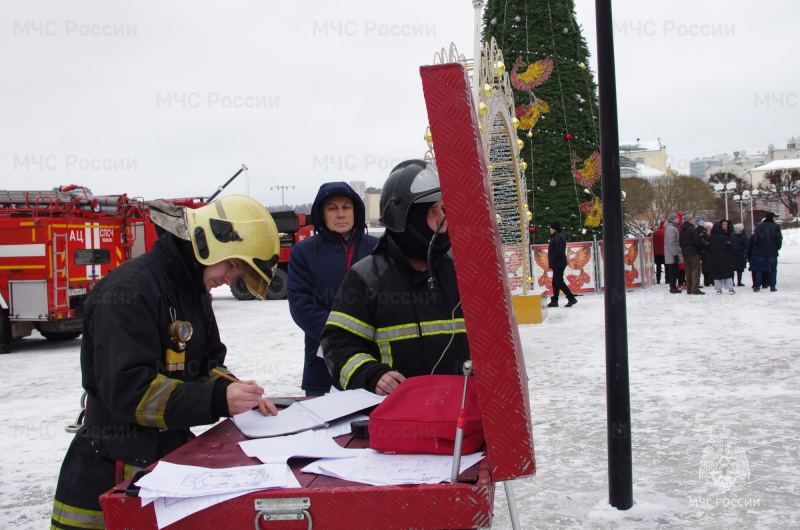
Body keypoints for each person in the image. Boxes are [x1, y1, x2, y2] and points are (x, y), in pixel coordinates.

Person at [51, 195, 281, 529]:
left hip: (165, 458)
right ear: (210, 245)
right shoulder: (129, 291)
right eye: (232, 265)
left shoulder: (190, 289)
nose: (231, 278)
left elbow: (204, 364)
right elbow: (131, 390)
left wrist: (233, 389)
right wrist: (218, 400)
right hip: (110, 469)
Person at [320, 160, 469, 396]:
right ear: (405, 217)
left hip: (463, 413)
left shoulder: (463, 271)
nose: (443, 223)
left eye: (444, 211)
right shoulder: (366, 278)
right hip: (398, 417)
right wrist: (370, 375)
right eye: (432, 211)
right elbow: (338, 344)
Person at [287, 182, 379, 397]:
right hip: (322, 360)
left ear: (356, 211)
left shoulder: (377, 249)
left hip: (372, 359)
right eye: (332, 208)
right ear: (321, 213)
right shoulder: (303, 252)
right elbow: (301, 305)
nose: (340, 214)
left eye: (346, 207)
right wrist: (338, 336)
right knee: (321, 427)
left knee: (370, 425)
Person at [547, 221, 578, 307]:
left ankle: (571, 298)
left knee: (559, 281)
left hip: (559, 263)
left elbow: (558, 250)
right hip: (557, 263)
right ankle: (555, 300)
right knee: (555, 282)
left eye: (551, 228)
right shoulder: (556, 236)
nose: (550, 229)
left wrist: (553, 259)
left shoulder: (559, 237)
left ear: (554, 228)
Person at [753, 212, 782, 291]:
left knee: (759, 268)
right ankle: (772, 286)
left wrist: (759, 246)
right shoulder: (776, 226)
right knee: (773, 269)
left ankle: (757, 286)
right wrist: (777, 247)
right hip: (772, 251)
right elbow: (778, 238)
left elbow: (755, 239)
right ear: (772, 218)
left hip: (761, 250)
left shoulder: (759, 227)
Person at [679, 217, 705, 295]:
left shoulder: (682, 230)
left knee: (688, 271)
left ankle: (689, 289)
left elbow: (680, 242)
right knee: (695, 270)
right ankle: (695, 288)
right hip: (694, 252)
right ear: (689, 220)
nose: (694, 221)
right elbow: (697, 240)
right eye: (693, 220)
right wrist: (701, 249)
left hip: (685, 253)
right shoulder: (692, 229)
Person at [708, 221, 735, 294]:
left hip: (714, 258)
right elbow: (729, 247)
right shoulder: (725, 237)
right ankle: (730, 288)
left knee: (717, 274)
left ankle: (718, 289)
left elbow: (707, 248)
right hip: (724, 258)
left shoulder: (710, 238)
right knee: (727, 273)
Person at [664, 213, 682, 294]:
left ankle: (673, 286)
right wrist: (675, 254)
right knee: (673, 270)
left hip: (672, 253)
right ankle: (672, 287)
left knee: (673, 270)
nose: (679, 219)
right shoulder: (671, 228)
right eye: (677, 218)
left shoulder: (672, 227)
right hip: (673, 253)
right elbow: (671, 242)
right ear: (673, 219)